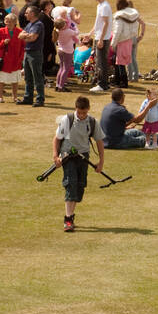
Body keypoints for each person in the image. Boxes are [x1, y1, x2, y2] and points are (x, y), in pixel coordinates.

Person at [53, 95, 103, 233]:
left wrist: (101, 162)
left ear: (88, 110)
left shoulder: (92, 122)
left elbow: (99, 141)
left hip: (83, 156)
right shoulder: (67, 120)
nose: (81, 115)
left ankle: (71, 216)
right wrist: (55, 156)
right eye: (79, 112)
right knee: (71, 183)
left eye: (84, 112)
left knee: (80, 186)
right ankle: (67, 219)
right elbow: (57, 139)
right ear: (75, 109)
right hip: (67, 156)